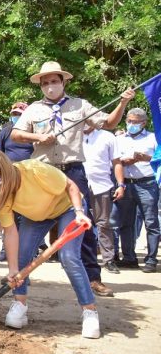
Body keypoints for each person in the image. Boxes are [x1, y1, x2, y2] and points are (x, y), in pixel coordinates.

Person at [11, 61, 135, 297]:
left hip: (73, 171)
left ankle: (93, 278)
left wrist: (123, 102)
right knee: (32, 219)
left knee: (83, 226)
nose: (50, 87)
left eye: (54, 81)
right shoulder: (34, 109)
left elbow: (108, 123)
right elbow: (15, 134)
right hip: (43, 173)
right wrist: (37, 136)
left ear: (63, 82)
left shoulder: (79, 105)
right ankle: (20, 279)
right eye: (45, 83)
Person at [0, 148, 101, 338]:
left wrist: (79, 212)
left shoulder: (34, 170)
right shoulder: (0, 195)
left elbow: (71, 186)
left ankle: (89, 311)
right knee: (21, 255)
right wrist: (13, 269)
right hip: (36, 216)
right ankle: (20, 304)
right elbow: (10, 232)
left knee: (69, 257)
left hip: (67, 208)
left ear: (2, 169)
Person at [110, 109, 158, 273]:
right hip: (125, 184)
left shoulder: (153, 138)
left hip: (147, 183)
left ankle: (151, 259)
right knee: (125, 222)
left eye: (135, 122)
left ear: (143, 123)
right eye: (129, 121)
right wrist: (124, 162)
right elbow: (113, 161)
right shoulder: (119, 139)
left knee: (151, 222)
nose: (131, 125)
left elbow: (158, 159)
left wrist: (145, 158)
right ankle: (129, 258)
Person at [0, 102, 34, 260]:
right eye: (14, 114)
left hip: (30, 178)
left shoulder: (33, 132)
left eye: (20, 114)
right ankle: (6, 250)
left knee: (27, 215)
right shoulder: (5, 132)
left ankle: (29, 250)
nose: (16, 117)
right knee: (8, 213)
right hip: (9, 178)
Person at [82, 125, 124, 273]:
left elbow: (117, 162)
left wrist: (121, 185)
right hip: (78, 185)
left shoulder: (107, 137)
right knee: (78, 223)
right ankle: (77, 257)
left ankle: (108, 259)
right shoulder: (72, 134)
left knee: (104, 223)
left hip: (102, 185)